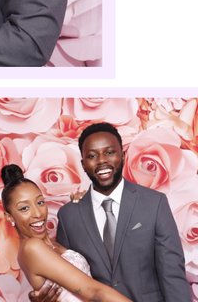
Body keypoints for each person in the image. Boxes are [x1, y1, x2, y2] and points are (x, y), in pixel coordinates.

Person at [34, 123, 190, 302]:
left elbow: (172, 274)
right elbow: (67, 278)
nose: (101, 160)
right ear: (83, 164)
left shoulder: (154, 204)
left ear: (122, 156)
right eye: (92, 156)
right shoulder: (69, 216)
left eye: (109, 152)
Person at [0, 164, 131, 302]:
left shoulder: (53, 244)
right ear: (9, 216)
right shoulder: (31, 248)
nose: (38, 213)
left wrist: (83, 205)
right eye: (24, 208)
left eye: (39, 202)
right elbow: (93, 291)